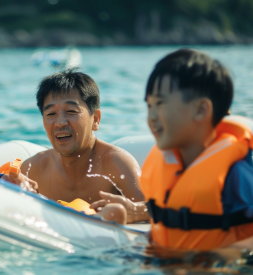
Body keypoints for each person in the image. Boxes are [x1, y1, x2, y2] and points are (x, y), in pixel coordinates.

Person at [93, 48, 253, 250]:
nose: (151, 117)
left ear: (201, 110)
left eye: (160, 104)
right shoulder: (167, 165)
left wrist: (232, 254)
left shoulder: (235, 173)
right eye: (149, 106)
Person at [21, 69, 146, 223]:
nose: (60, 122)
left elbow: (151, 210)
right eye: (51, 114)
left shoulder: (115, 163)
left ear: (95, 119)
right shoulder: (33, 170)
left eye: (71, 111)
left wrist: (133, 212)